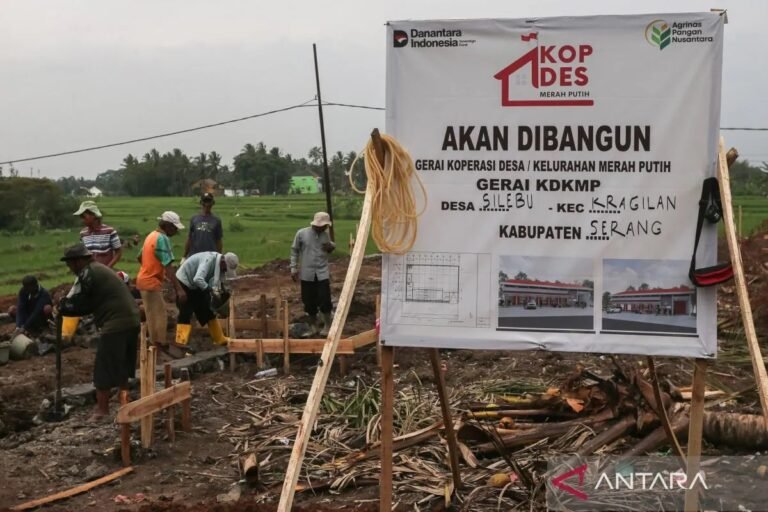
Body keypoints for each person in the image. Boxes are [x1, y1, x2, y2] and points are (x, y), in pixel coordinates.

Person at [57, 244, 140, 421]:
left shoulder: (88, 272)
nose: (69, 268)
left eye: (70, 264)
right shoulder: (100, 270)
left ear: (78, 261)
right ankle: (124, 402)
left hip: (116, 323)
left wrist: (61, 307)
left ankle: (102, 410)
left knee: (104, 367)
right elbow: (88, 304)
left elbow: (80, 302)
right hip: (132, 320)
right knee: (122, 366)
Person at [136, 212, 187, 351]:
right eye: (174, 228)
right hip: (151, 282)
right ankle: (159, 344)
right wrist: (179, 289)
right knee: (160, 314)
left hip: (143, 280)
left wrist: (152, 269)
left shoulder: (151, 236)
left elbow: (140, 257)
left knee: (151, 314)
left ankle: (153, 344)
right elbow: (168, 266)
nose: (176, 231)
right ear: (167, 225)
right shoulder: (162, 238)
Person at [173, 251, 239, 354]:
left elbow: (216, 282)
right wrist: (210, 291)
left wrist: (219, 292)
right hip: (184, 282)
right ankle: (181, 343)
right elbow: (198, 279)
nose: (225, 271)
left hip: (196, 285)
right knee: (186, 313)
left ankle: (219, 338)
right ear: (223, 262)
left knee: (207, 310)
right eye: (226, 268)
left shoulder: (219, 265)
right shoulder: (208, 260)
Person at [290, 212, 335, 336]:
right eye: (323, 226)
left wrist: (330, 247)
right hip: (307, 274)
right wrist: (293, 268)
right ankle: (313, 327)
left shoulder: (325, 236)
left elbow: (330, 248)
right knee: (309, 301)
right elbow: (294, 251)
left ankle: (327, 325)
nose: (324, 228)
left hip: (322, 273)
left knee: (325, 299)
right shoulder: (301, 234)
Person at [73, 201, 122, 268]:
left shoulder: (110, 231)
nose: (82, 219)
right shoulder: (83, 234)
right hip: (90, 272)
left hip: (106, 273)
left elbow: (118, 252)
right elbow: (83, 255)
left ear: (93, 215)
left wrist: (108, 268)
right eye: (81, 217)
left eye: (83, 216)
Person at [184, 193, 223, 258]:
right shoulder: (194, 219)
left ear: (212, 203)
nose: (207, 204)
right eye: (205, 201)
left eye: (209, 201)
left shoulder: (216, 221)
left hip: (210, 256)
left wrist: (219, 257)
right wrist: (184, 256)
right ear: (201, 203)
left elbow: (218, 241)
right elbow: (190, 238)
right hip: (195, 256)